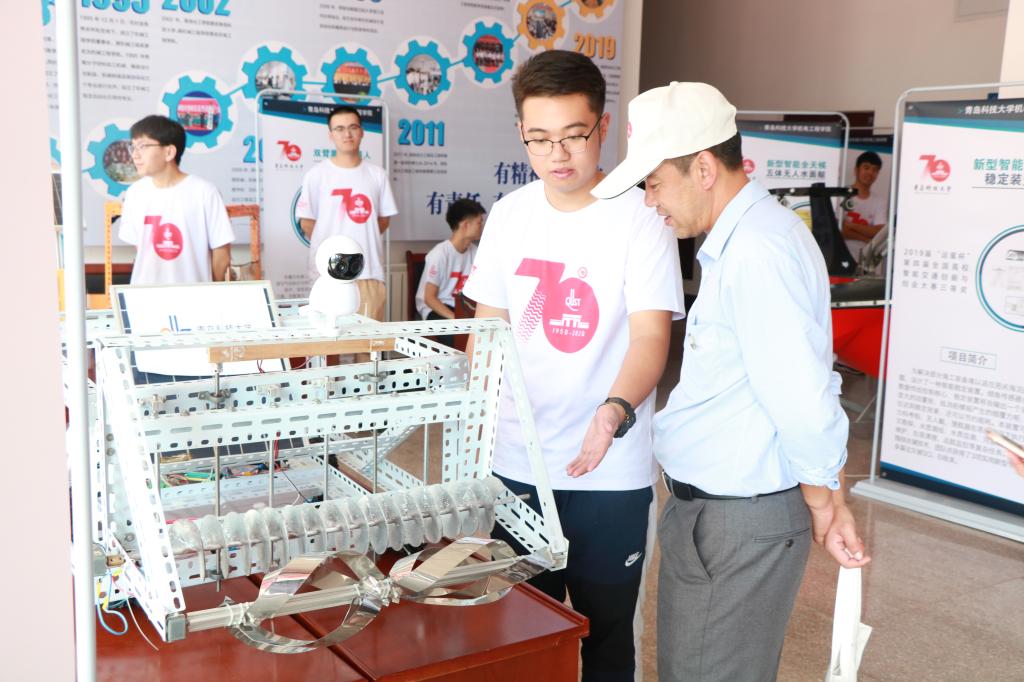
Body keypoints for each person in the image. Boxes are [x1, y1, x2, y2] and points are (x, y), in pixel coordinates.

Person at [592, 82, 871, 681]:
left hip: (739, 523)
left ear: (703, 168)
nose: (650, 202)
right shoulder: (748, 240)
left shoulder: (757, 252)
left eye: (654, 184)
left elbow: (800, 396)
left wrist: (824, 502)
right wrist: (829, 494)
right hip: (720, 517)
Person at [463, 50, 685, 681]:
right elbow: (488, 333)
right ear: (521, 133)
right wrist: (469, 432)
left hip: (609, 474)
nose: (557, 154)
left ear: (603, 127)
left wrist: (613, 412)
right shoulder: (511, 214)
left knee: (607, 640)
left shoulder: (642, 217)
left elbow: (650, 337)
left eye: (573, 136)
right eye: (539, 138)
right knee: (518, 639)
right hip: (516, 465)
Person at [296, 105, 398, 320]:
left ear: (362, 132)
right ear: (331, 135)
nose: (347, 134)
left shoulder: (377, 175)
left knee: (369, 339)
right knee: (327, 338)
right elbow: (307, 224)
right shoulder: (316, 175)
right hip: (326, 276)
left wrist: (359, 239)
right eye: (340, 129)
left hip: (367, 272)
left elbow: (383, 221)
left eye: (353, 127)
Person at [118, 115, 233, 284]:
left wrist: (210, 290)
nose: (135, 155)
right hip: (144, 295)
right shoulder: (135, 193)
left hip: (193, 295)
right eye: (133, 147)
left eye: (142, 146)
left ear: (169, 152)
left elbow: (222, 253)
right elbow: (141, 248)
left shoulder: (204, 192)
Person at [414, 198, 484, 345]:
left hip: (461, 308)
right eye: (479, 222)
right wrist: (456, 319)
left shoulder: (475, 252)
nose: (482, 226)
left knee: (485, 334)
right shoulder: (440, 254)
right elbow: (429, 298)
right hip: (436, 308)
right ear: (465, 225)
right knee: (460, 338)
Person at [842, 151, 886, 263]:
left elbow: (879, 233)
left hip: (865, 261)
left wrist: (851, 225)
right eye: (866, 168)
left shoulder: (879, 201)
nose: (870, 172)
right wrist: (865, 238)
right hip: (840, 257)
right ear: (856, 170)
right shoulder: (841, 194)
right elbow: (839, 230)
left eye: (875, 170)